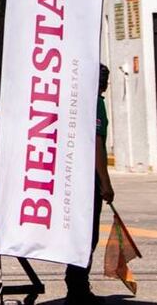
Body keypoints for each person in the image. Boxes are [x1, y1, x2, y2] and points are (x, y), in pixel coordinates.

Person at [64, 64, 115, 304]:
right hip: (88, 180)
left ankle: (76, 286)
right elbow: (97, 144)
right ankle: (77, 290)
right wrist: (105, 182)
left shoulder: (75, 102)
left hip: (73, 178)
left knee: (80, 234)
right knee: (88, 236)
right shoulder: (95, 103)